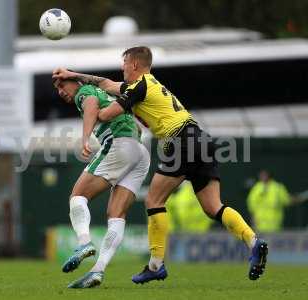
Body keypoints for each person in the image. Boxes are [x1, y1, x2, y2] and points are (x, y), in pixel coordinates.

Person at [53, 46, 268, 283]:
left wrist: (94, 111)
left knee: (154, 201)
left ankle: (156, 265)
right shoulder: (149, 84)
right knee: (213, 207)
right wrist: (72, 75)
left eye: (124, 63)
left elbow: (106, 114)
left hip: (180, 142)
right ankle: (253, 241)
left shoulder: (138, 86)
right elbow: (104, 83)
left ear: (134, 64)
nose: (122, 67)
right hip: (201, 138)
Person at [52, 77, 150, 288]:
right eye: (56, 88)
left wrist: (85, 138)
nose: (60, 91)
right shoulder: (106, 94)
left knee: (77, 196)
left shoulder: (84, 92)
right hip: (140, 152)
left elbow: (90, 105)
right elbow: (138, 127)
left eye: (62, 85)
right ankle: (98, 271)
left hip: (119, 145)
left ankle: (83, 243)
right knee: (116, 214)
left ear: (75, 82)